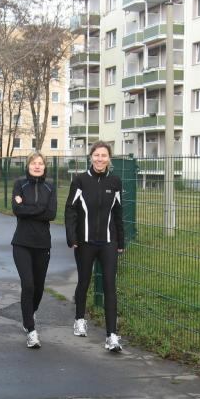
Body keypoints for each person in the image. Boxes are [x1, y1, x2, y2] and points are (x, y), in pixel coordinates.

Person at [64, 141, 124, 352]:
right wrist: (72, 237)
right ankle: (79, 319)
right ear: (91, 157)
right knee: (84, 281)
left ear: (109, 158)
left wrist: (121, 241)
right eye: (97, 155)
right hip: (85, 242)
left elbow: (118, 213)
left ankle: (111, 336)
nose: (100, 159)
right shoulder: (80, 180)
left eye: (104, 155)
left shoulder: (115, 182)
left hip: (108, 242)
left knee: (110, 286)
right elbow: (70, 210)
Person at [11, 152, 57, 349]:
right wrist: (39, 208)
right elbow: (16, 210)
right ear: (28, 165)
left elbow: (52, 214)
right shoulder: (19, 184)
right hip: (21, 243)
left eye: (40, 163)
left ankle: (30, 312)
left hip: (42, 244)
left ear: (44, 167)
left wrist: (27, 207)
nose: (37, 166)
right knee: (28, 285)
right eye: (33, 163)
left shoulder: (50, 187)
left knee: (38, 287)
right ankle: (31, 329)